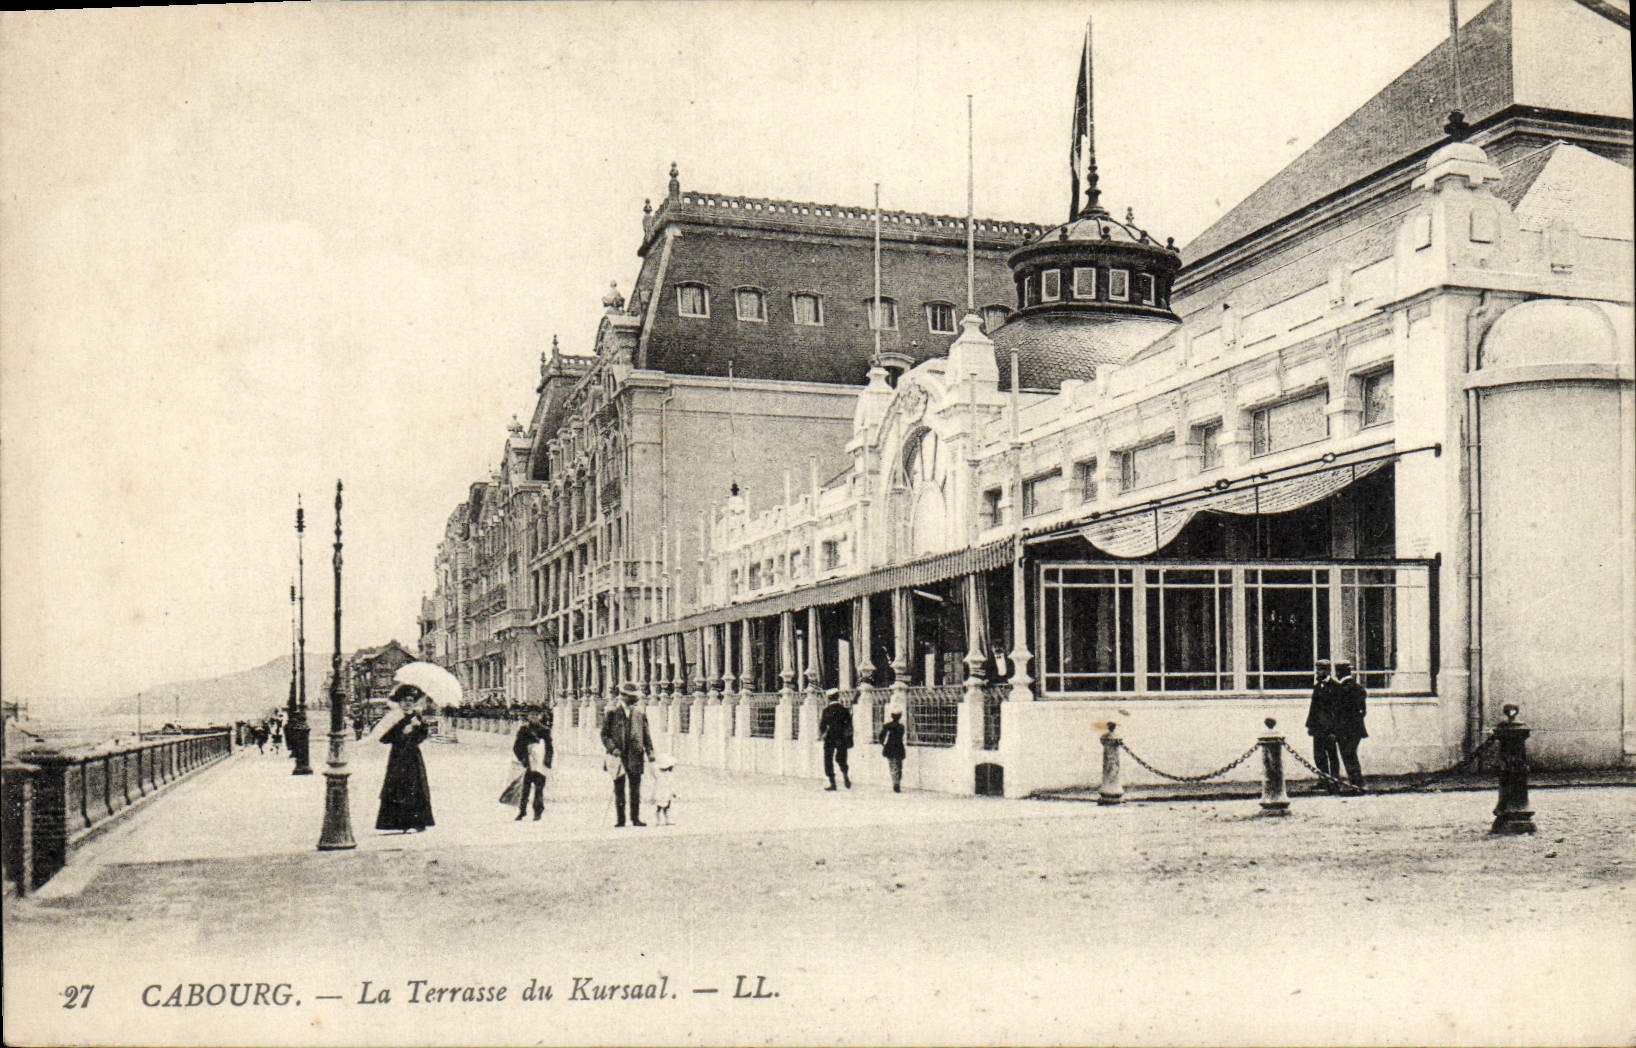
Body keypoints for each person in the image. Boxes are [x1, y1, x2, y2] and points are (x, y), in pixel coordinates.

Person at [376, 685, 435, 833]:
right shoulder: (394, 717)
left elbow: (421, 737)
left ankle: (416, 823)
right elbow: (383, 738)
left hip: (413, 756)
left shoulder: (416, 717)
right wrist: (402, 731)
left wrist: (420, 727)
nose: (408, 703)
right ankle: (399, 824)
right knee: (397, 788)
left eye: (411, 700)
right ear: (400, 702)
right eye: (405, 700)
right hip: (397, 757)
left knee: (415, 787)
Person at [601, 683, 654, 827]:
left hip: (635, 755)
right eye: (632, 697)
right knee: (619, 788)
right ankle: (621, 819)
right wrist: (613, 748)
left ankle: (635, 818)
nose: (635, 700)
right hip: (618, 756)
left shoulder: (639, 714)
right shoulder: (612, 713)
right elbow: (604, 735)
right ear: (623, 696)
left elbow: (646, 734)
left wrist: (650, 752)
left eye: (635, 697)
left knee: (635, 789)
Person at [1328, 658, 1368, 790]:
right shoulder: (1358, 688)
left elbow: (1338, 713)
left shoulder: (1340, 690)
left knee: (1348, 755)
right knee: (1351, 754)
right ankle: (1357, 782)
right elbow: (1362, 712)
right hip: (1357, 729)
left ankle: (1357, 783)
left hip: (1345, 730)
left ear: (1339, 672)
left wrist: (1336, 729)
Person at [1304, 658, 1342, 792]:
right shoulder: (1317, 686)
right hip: (1318, 728)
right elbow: (1313, 708)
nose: (1317, 672)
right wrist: (1310, 725)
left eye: (1320, 669)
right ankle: (1323, 780)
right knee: (1318, 755)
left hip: (1329, 729)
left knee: (1332, 755)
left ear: (1327, 671)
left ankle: (1334, 781)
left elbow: (1337, 712)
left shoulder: (1336, 687)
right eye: (1316, 669)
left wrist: (1334, 731)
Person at [511, 712, 552, 821]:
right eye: (531, 715)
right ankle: (522, 811)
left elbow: (549, 748)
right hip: (528, 763)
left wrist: (547, 761)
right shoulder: (523, 730)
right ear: (528, 717)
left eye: (536, 715)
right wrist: (523, 759)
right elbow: (516, 747)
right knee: (525, 789)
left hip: (540, 764)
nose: (534, 717)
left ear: (540, 716)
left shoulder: (545, 730)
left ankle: (538, 811)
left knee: (539, 789)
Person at [818, 687, 853, 791]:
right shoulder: (844, 710)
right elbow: (849, 725)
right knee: (841, 757)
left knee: (828, 759)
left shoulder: (826, 710)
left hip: (830, 736)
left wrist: (820, 735)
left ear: (829, 698)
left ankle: (832, 782)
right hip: (841, 736)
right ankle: (845, 773)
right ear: (837, 696)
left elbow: (823, 726)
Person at [879, 707, 907, 793]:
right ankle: (897, 782)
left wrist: (883, 744)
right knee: (899, 766)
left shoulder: (887, 726)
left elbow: (881, 736)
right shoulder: (901, 727)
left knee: (892, 766)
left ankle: (895, 783)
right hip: (899, 747)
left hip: (890, 747)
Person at [651, 755, 677, 826]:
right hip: (663, 793)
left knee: (663, 807)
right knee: (664, 808)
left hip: (664, 793)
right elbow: (671, 785)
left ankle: (663, 820)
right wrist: (673, 792)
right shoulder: (663, 775)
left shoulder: (662, 775)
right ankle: (662, 820)